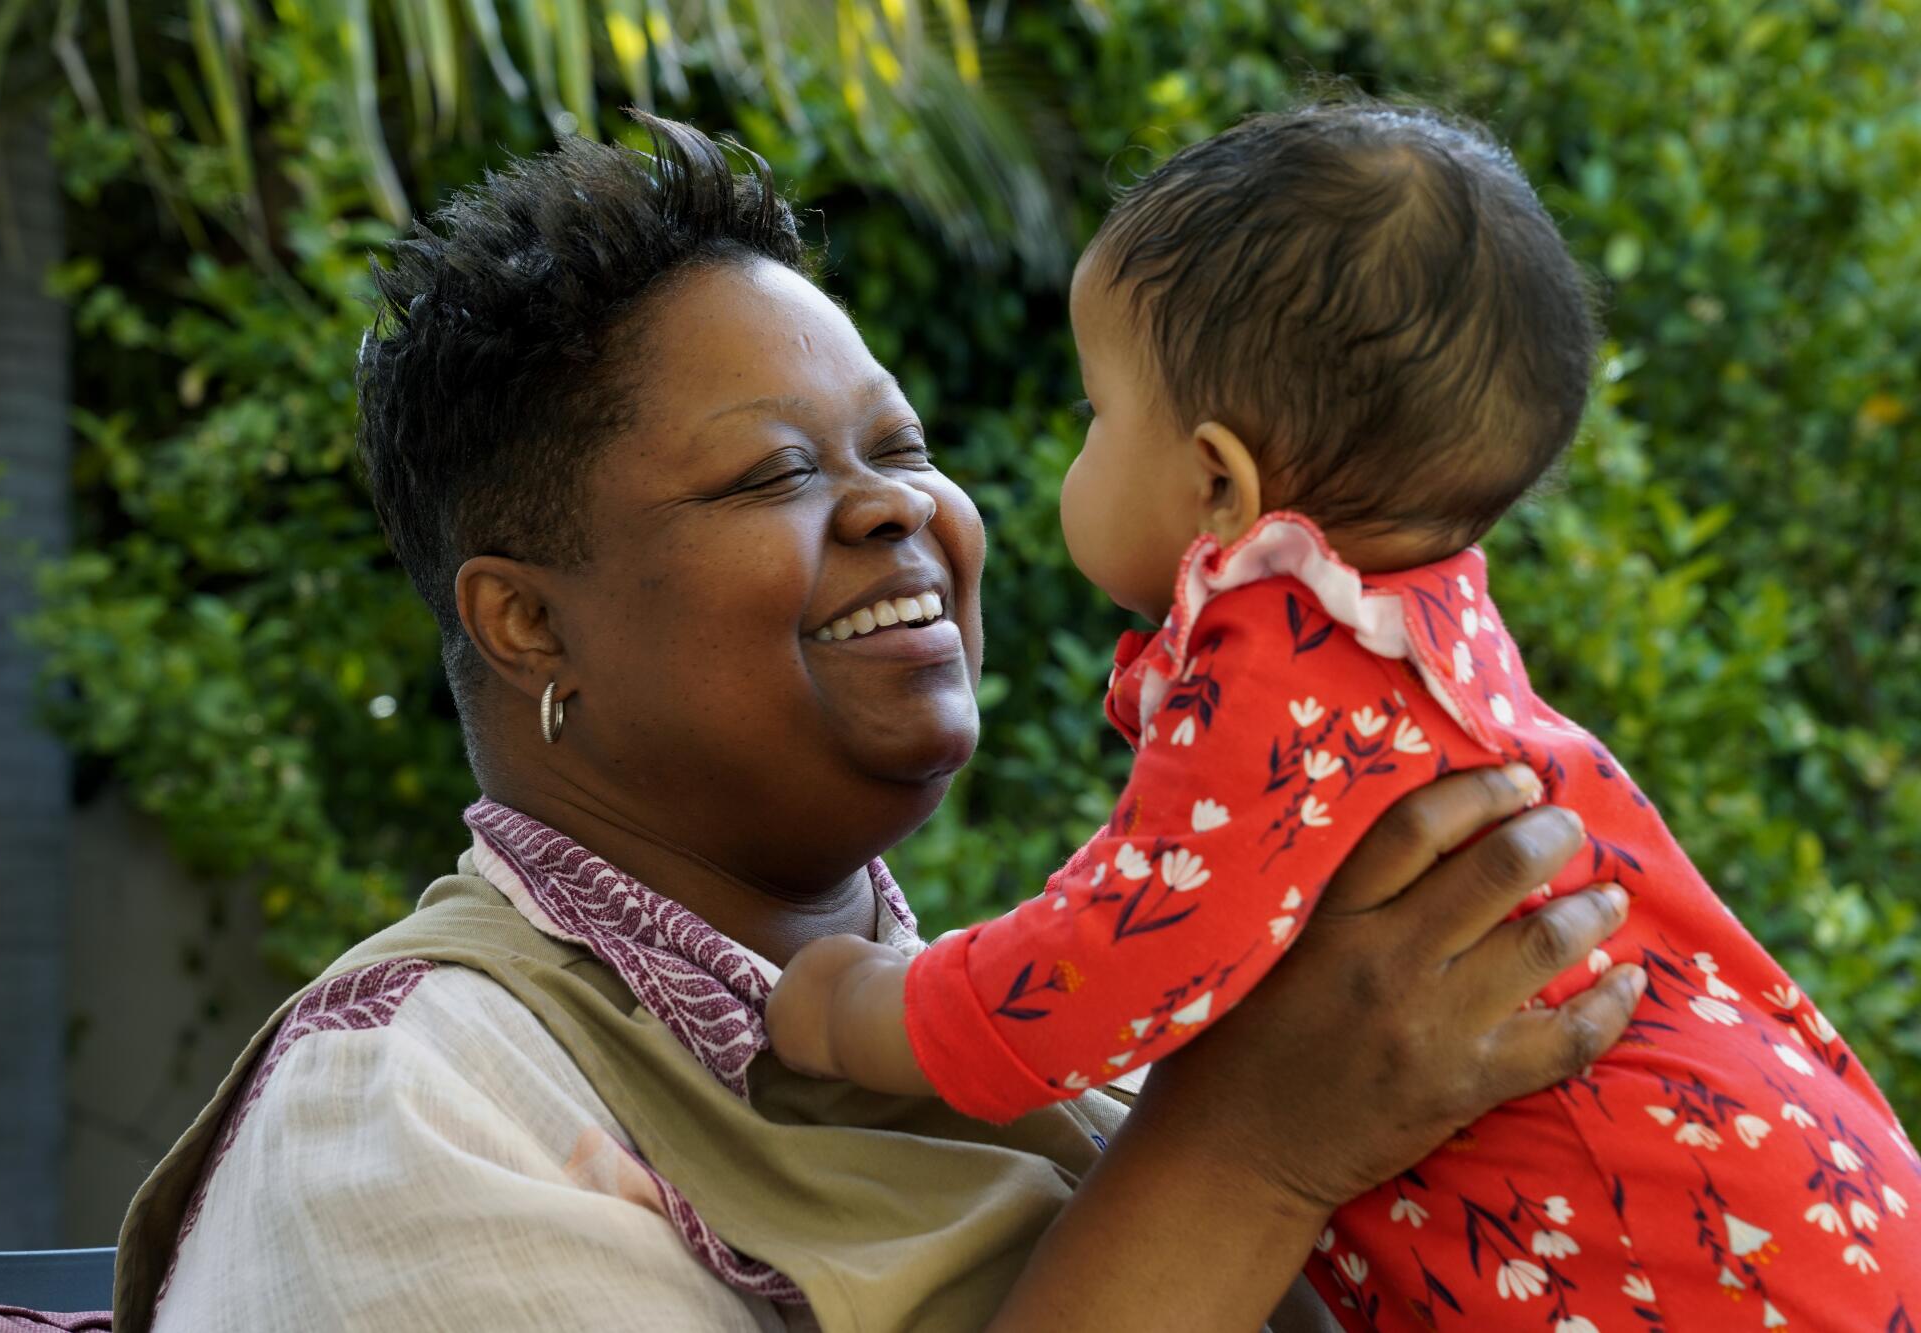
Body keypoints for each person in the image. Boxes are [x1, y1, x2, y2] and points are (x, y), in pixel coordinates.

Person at [108, 116, 1645, 1333]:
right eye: (773, 475)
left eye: (904, 447)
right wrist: (1249, 1160)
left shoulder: (1084, 1050)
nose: (899, 509)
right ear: (529, 622)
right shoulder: (415, 1114)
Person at [763, 100, 1921, 1329]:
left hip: (1689, 1258)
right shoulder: (1412, 626)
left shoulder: (1280, 666)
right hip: (1783, 1206)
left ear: (1218, 481)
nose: (1076, 450)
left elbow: (1109, 964)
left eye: (1092, 414)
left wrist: (852, 1010)